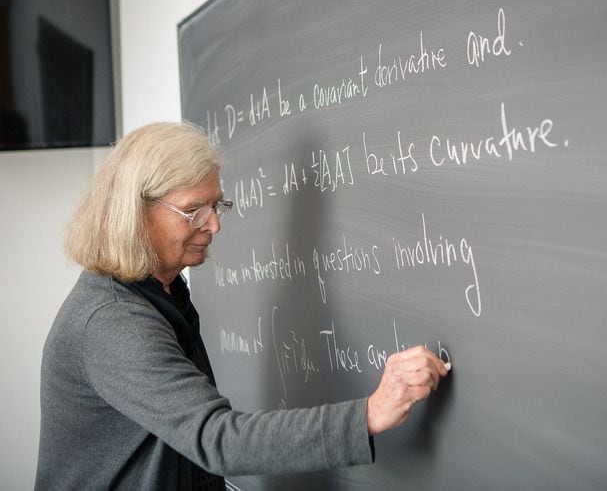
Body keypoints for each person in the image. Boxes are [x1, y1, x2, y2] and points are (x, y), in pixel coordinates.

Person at [35, 122, 450, 490]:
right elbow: (218, 440)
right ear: (136, 213)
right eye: (194, 210)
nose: (214, 224)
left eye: (216, 206)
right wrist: (369, 414)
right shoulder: (112, 322)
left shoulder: (161, 293)